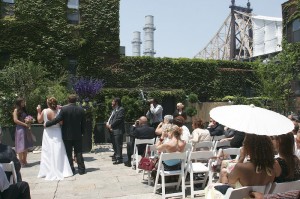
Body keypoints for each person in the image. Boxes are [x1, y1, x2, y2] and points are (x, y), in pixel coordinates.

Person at [206, 134, 277, 198]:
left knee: (210, 187)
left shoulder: (241, 167)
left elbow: (230, 182)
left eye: (244, 143)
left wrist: (241, 158)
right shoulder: (274, 167)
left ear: (249, 147)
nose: (243, 145)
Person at [45, 94, 86, 175]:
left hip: (67, 135)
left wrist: (47, 124)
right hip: (77, 134)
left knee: (68, 153)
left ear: (68, 100)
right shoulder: (81, 109)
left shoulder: (64, 109)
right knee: (79, 152)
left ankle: (71, 169)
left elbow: (57, 119)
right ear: (76, 100)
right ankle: (81, 169)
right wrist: (82, 132)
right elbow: (83, 123)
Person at [36, 97, 73, 180]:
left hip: (48, 133)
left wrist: (38, 112)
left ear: (48, 104)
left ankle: (47, 170)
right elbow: (61, 122)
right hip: (57, 132)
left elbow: (39, 120)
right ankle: (61, 169)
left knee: (47, 151)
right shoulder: (59, 111)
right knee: (59, 150)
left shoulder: (44, 111)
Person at [12, 98, 33, 167]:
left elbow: (27, 118)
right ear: (19, 103)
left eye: (24, 102)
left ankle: (25, 160)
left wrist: (29, 121)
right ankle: (20, 161)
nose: (23, 103)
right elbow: (15, 120)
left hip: (26, 129)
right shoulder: (16, 110)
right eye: (22, 102)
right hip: (20, 129)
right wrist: (24, 124)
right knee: (20, 145)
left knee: (26, 145)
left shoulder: (24, 110)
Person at [106, 97, 125, 165]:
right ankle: (116, 155)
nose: (111, 102)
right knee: (114, 144)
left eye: (113, 101)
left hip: (118, 130)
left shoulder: (121, 109)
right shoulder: (114, 110)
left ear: (116, 102)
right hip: (112, 129)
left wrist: (111, 125)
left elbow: (119, 119)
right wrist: (108, 123)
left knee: (118, 144)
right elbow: (111, 118)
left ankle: (119, 158)